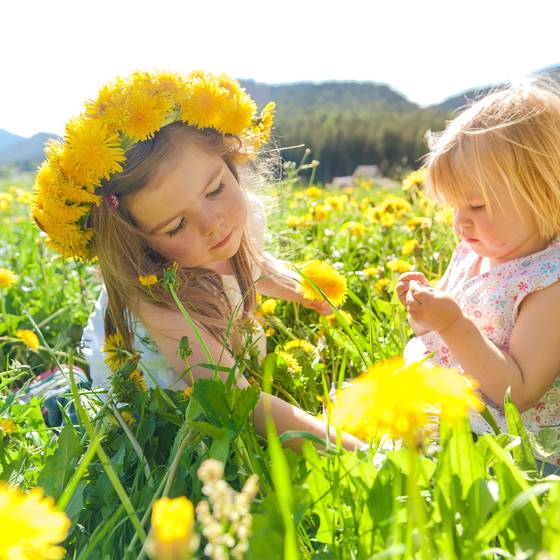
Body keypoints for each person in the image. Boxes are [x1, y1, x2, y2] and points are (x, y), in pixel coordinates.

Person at [32, 70, 360, 451]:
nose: (212, 224)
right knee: (79, 420)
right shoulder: (152, 298)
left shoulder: (237, 223)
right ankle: (55, 394)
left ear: (230, 161)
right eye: (176, 226)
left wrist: (300, 288)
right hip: (153, 415)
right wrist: (362, 456)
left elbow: (256, 266)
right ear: (138, 244)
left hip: (214, 354)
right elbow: (237, 399)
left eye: (216, 189)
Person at [396, 78, 560, 470]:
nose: (459, 223)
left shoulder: (548, 284)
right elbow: (445, 335)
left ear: (544, 193)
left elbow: (517, 392)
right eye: (454, 206)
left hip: (506, 442)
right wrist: (427, 313)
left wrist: (453, 323)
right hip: (450, 407)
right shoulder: (475, 251)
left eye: (476, 204)